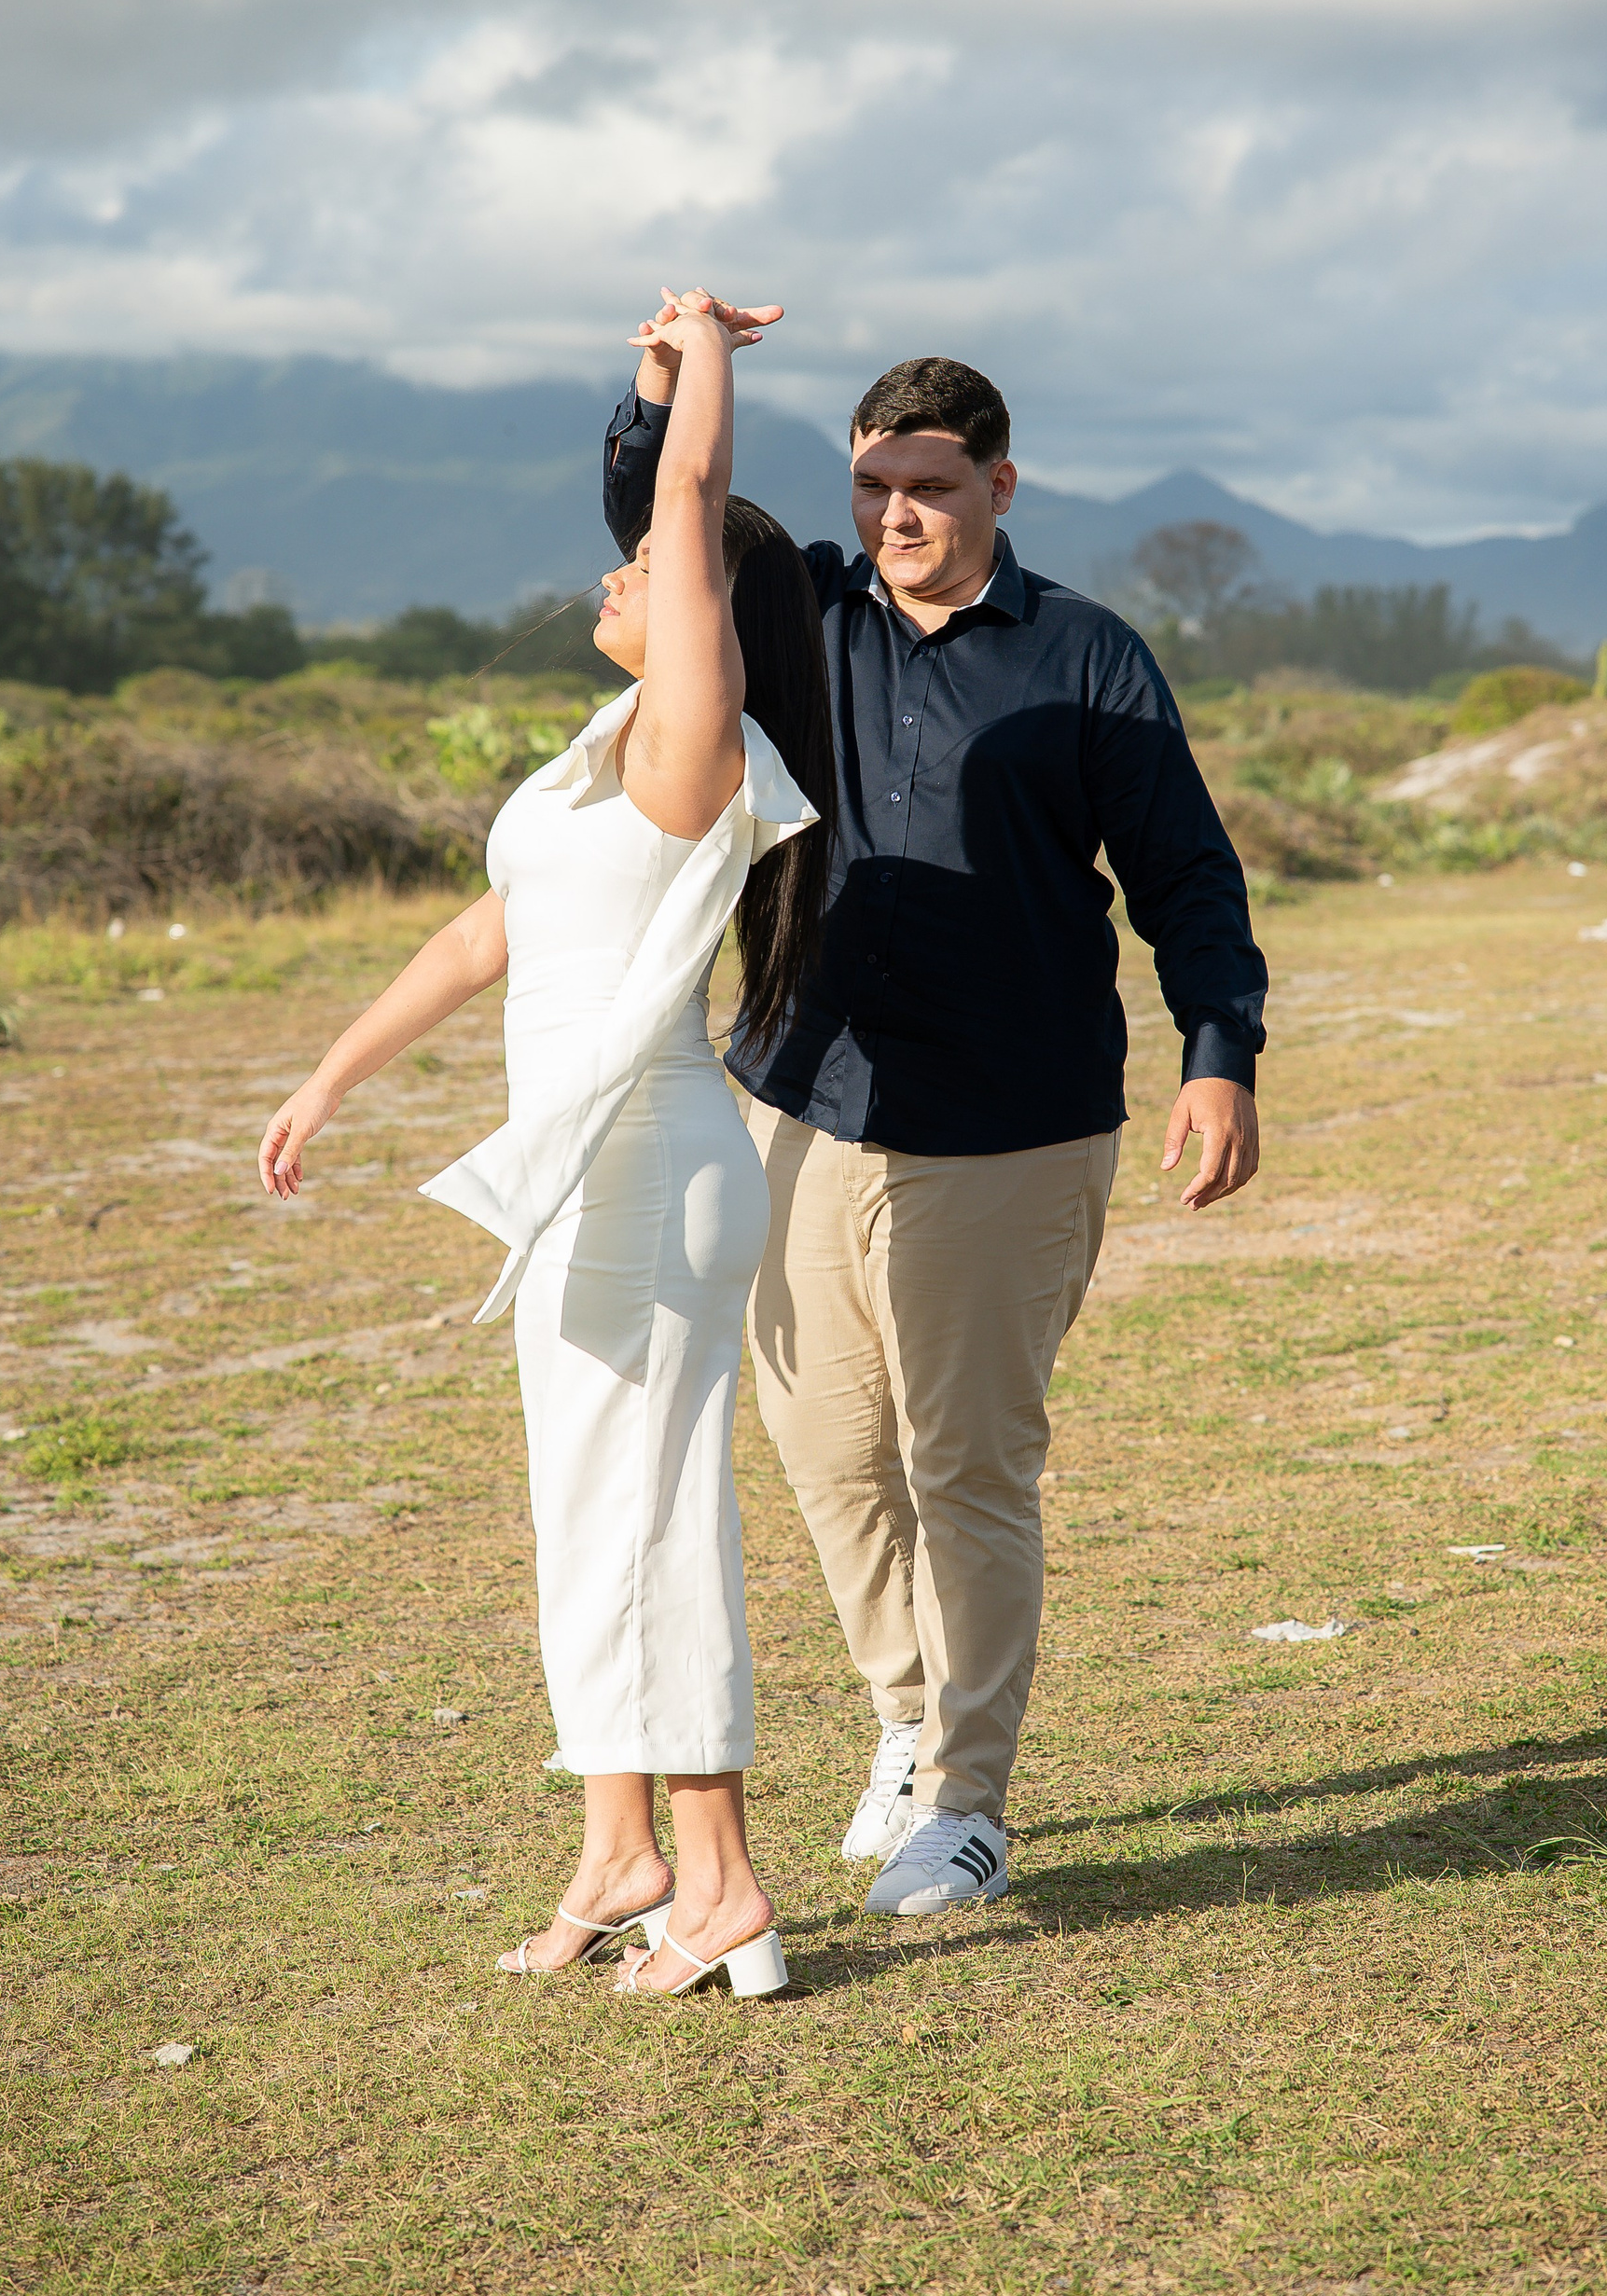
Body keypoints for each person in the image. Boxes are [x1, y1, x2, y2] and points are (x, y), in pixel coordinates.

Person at [604, 297, 1268, 1918]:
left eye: (930, 487)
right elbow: (660, 525)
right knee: (830, 1453)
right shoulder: (804, 614)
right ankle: (906, 1720)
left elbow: (1184, 872)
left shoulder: (1087, 655)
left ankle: (969, 1801)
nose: (896, 516)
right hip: (805, 1094)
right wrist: (663, 382)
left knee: (966, 1464)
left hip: (1012, 1119)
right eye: (873, 485)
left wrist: (1218, 1049)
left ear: (1000, 487)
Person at [257, 297, 835, 1999]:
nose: (612, 572)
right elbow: (479, 937)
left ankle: (718, 1886)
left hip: (648, 1172)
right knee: (590, 1519)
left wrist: (699, 351)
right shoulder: (601, 759)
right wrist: (329, 1077)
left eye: (642, 566)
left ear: (702, 605)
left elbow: (691, 498)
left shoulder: (694, 742)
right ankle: (619, 1851)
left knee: (649, 1522)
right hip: (596, 1180)